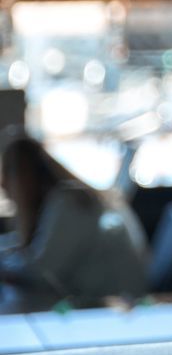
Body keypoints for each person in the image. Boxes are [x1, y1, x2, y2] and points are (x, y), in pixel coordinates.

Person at [0, 134, 150, 313]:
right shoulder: (66, 198)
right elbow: (35, 250)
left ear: (25, 175)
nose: (3, 185)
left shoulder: (70, 203)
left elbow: (43, 272)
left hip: (114, 306)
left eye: (7, 174)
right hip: (107, 302)